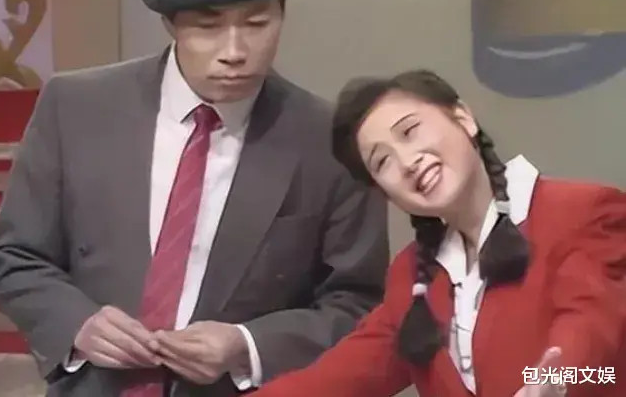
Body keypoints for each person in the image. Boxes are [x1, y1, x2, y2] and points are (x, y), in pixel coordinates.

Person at [0, 0, 389, 397]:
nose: (234, 51)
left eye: (257, 23)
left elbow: (358, 303)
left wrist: (247, 345)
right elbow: (15, 255)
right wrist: (77, 323)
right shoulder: (76, 107)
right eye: (208, 27)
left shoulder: (328, 139)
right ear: (171, 25)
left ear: (282, 16)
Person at [247, 69, 626, 397]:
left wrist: (553, 380)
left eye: (410, 131)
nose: (407, 162)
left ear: (463, 118)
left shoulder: (579, 211)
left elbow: (595, 328)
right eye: (383, 161)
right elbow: (333, 380)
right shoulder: (413, 279)